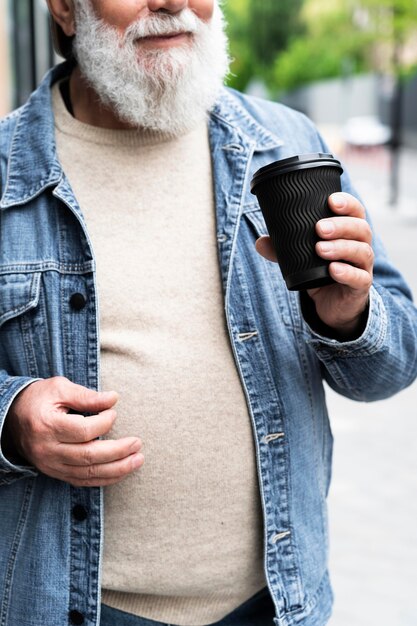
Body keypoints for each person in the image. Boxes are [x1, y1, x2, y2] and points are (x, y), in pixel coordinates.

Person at [0, 1, 416, 626]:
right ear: (64, 8)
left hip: (278, 604)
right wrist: (11, 420)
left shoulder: (287, 144)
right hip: (71, 609)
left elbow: (390, 369)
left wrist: (348, 314)